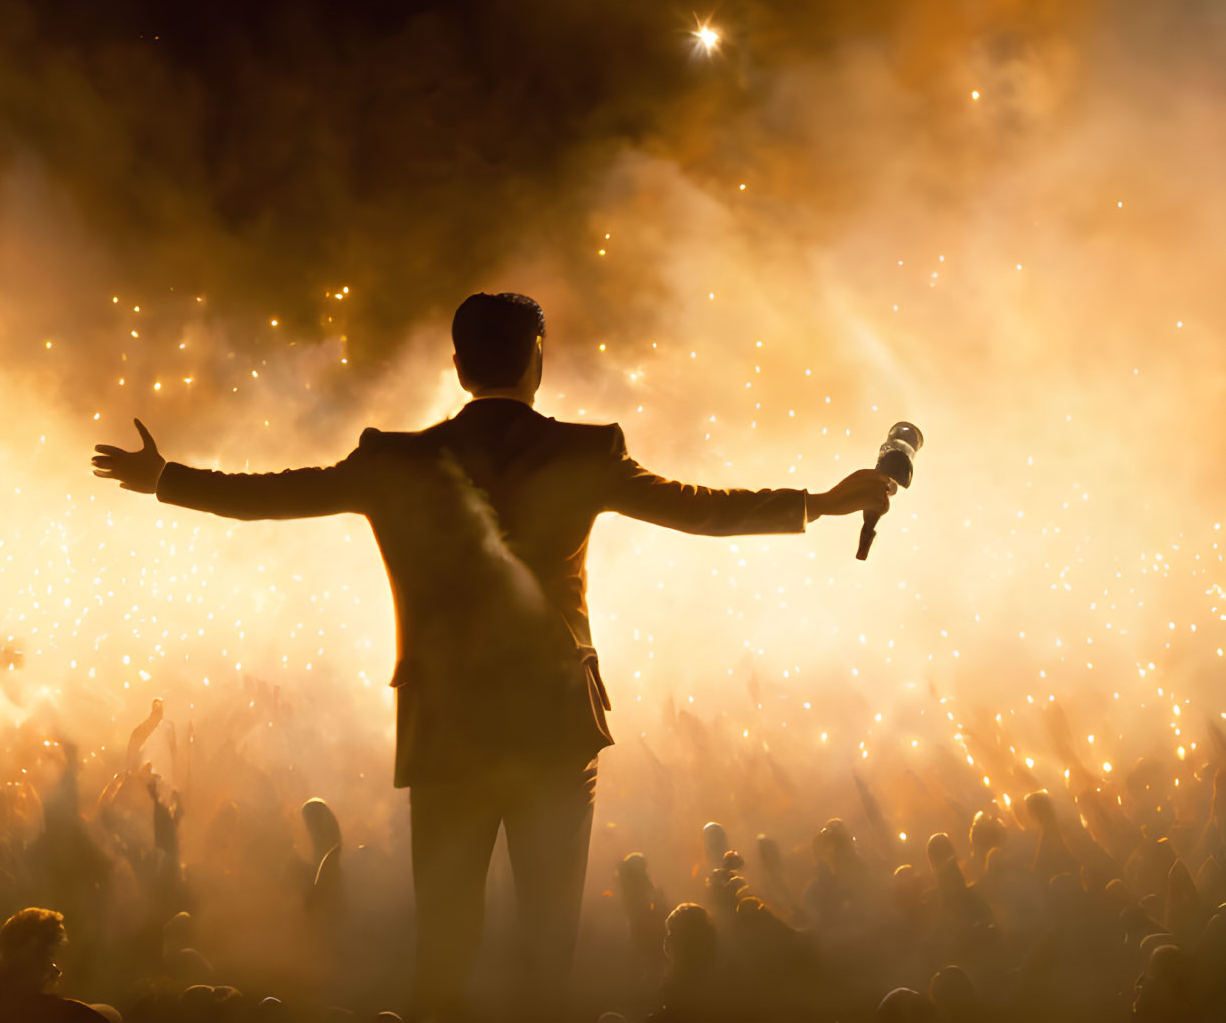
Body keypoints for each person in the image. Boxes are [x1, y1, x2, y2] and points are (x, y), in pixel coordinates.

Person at [91, 291, 895, 1019]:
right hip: (553, 725)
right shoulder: (587, 451)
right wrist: (817, 503)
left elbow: (274, 496)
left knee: (444, 941)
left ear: (456, 364)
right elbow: (699, 512)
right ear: (537, 356)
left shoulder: (393, 459)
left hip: (446, 727)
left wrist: (166, 477)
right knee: (548, 943)